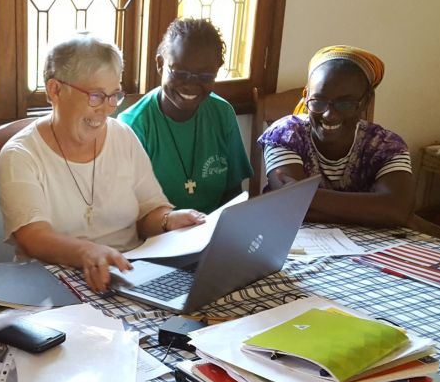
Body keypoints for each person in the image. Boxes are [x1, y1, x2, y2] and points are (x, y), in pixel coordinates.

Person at [0, 34, 204, 293]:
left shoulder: (123, 136)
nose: (107, 109)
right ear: (55, 90)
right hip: (51, 287)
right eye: (96, 96)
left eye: (113, 96)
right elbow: (33, 239)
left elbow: (149, 212)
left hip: (127, 275)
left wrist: (169, 220)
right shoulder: (21, 154)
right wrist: (88, 252)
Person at [256, 45, 414, 227]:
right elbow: (291, 205)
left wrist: (305, 196)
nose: (329, 115)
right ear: (306, 96)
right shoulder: (286, 135)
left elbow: (397, 210)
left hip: (369, 248)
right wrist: (374, 211)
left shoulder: (386, 146)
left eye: (345, 104)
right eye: (319, 101)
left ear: (366, 101)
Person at [119, 18, 252, 213]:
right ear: (160, 64)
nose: (190, 84)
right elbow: (125, 211)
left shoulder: (222, 114)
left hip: (213, 234)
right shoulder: (133, 125)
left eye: (205, 76)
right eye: (180, 73)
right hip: (154, 236)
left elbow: (233, 193)